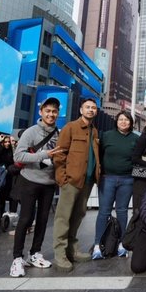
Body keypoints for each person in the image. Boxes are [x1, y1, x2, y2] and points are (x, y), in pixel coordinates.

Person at [9, 97, 61, 277]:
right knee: (25, 219)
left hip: (48, 183)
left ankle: (34, 253)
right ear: (41, 112)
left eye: (54, 111)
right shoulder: (31, 132)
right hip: (29, 180)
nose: (51, 114)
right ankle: (17, 258)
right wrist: (43, 154)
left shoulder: (59, 134)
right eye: (48, 111)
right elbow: (18, 157)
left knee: (43, 220)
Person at [53, 98, 100, 272]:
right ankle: (60, 253)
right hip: (70, 181)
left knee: (78, 215)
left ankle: (71, 249)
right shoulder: (70, 127)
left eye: (93, 108)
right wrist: (62, 178)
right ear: (81, 110)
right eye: (87, 107)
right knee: (63, 217)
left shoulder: (94, 131)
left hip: (87, 182)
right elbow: (59, 154)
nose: (90, 110)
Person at [92, 111, 139, 260]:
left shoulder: (135, 138)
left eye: (126, 120)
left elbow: (138, 159)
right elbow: (98, 154)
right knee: (104, 212)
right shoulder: (106, 136)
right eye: (121, 119)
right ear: (116, 121)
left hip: (127, 179)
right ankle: (97, 245)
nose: (123, 122)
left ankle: (121, 244)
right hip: (108, 179)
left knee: (122, 211)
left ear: (131, 122)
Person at [0, 134, 18, 218]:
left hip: (8, 178)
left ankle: (4, 215)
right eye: (5, 142)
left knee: (6, 197)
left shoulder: (11, 151)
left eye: (8, 142)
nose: (7, 143)